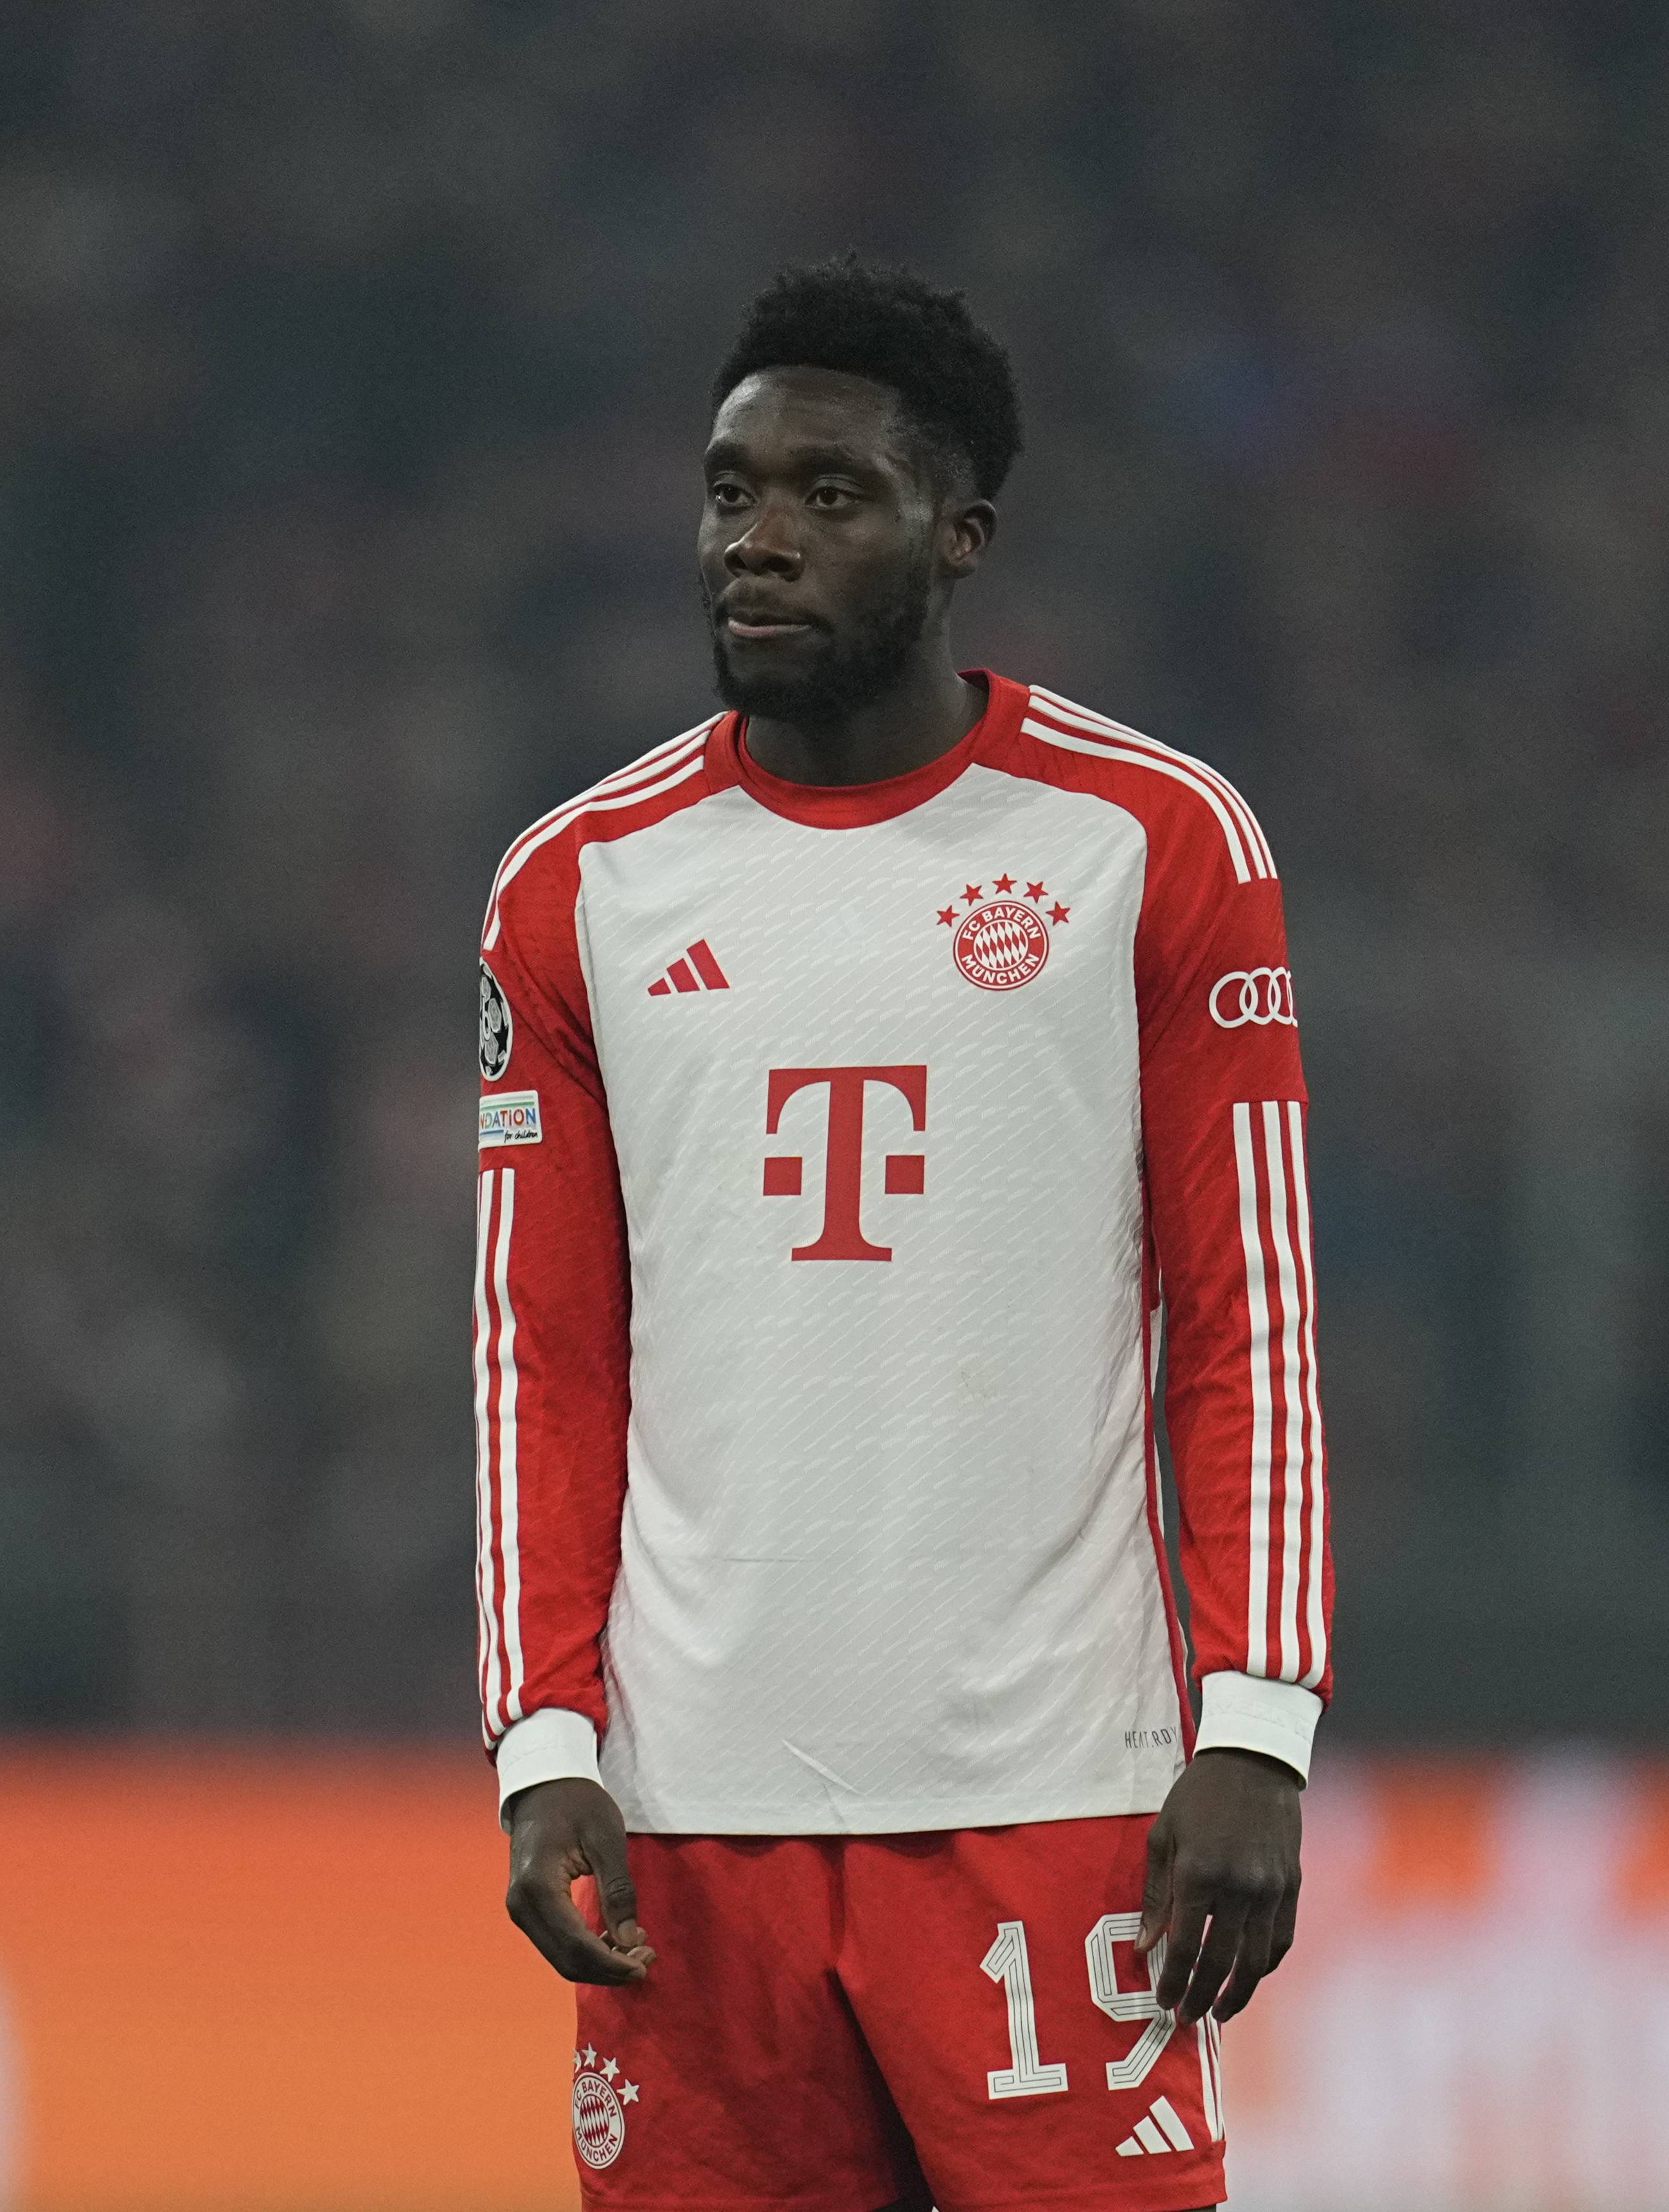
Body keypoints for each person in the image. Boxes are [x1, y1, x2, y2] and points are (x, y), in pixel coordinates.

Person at [472, 255, 1330, 2211]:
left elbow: (1248, 1319)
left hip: (1055, 1798)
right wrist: (543, 1740)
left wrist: (1256, 1729)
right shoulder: (577, 886)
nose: (759, 543)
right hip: (698, 1820)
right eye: (729, 495)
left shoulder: (1153, 840)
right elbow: (544, 1359)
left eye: (829, 497)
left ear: (960, 535)